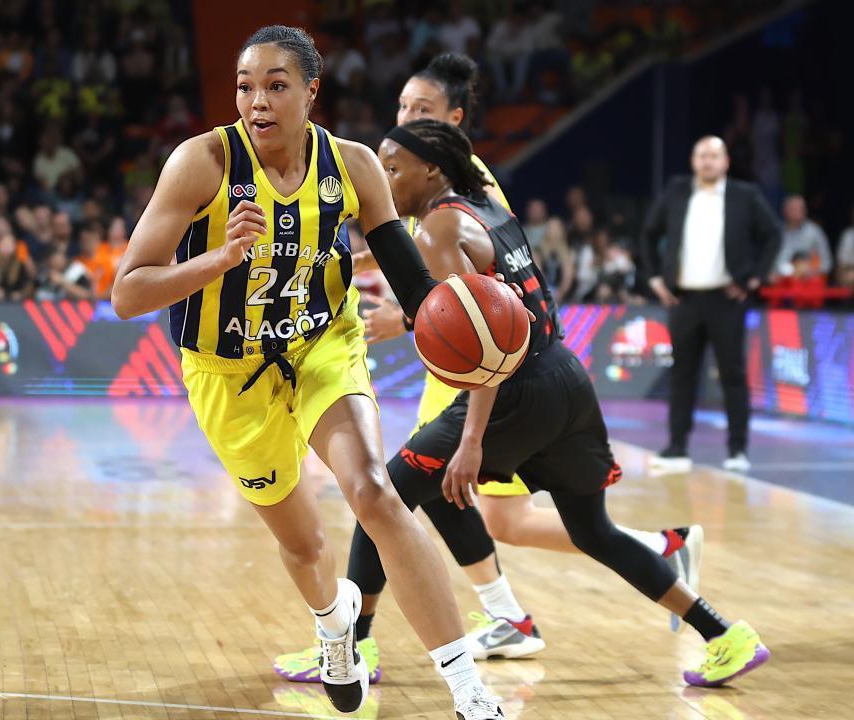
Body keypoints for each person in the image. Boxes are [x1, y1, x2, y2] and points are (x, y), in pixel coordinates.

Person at [112, 26, 504, 719]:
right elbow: (128, 293)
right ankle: (333, 624)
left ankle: (469, 690)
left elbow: (417, 291)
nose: (255, 101)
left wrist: (472, 321)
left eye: (275, 85)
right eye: (244, 85)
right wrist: (219, 261)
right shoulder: (201, 162)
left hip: (322, 346)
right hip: (226, 371)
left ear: (311, 93)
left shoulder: (353, 166)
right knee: (304, 546)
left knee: (376, 493)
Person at [275, 55, 696, 685]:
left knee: (409, 498)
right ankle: (517, 612)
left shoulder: (459, 201)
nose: (405, 121)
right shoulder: (440, 191)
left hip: (491, 376)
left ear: (449, 126)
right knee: (456, 502)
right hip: (522, 371)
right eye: (402, 108)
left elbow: (471, 307)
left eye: (420, 113)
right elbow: (402, 247)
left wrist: (408, 321)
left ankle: (366, 645)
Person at [354, 118, 770, 689]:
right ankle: (725, 634)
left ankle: (353, 650)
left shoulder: (438, 232)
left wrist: (472, 440)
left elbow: (483, 347)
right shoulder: (486, 210)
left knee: (381, 496)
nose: (382, 176)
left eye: (393, 166)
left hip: (511, 391)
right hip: (565, 379)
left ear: (431, 168)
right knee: (593, 531)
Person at [642, 136, 781, 473]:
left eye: (714, 156)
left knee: (732, 375)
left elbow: (773, 234)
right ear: (693, 161)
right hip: (684, 298)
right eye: (702, 155)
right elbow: (648, 233)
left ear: (726, 162)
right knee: (682, 375)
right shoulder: (677, 191)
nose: (707, 162)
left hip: (726, 299)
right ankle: (677, 447)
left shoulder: (743, 195)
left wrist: (754, 279)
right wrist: (656, 279)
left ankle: (737, 449)